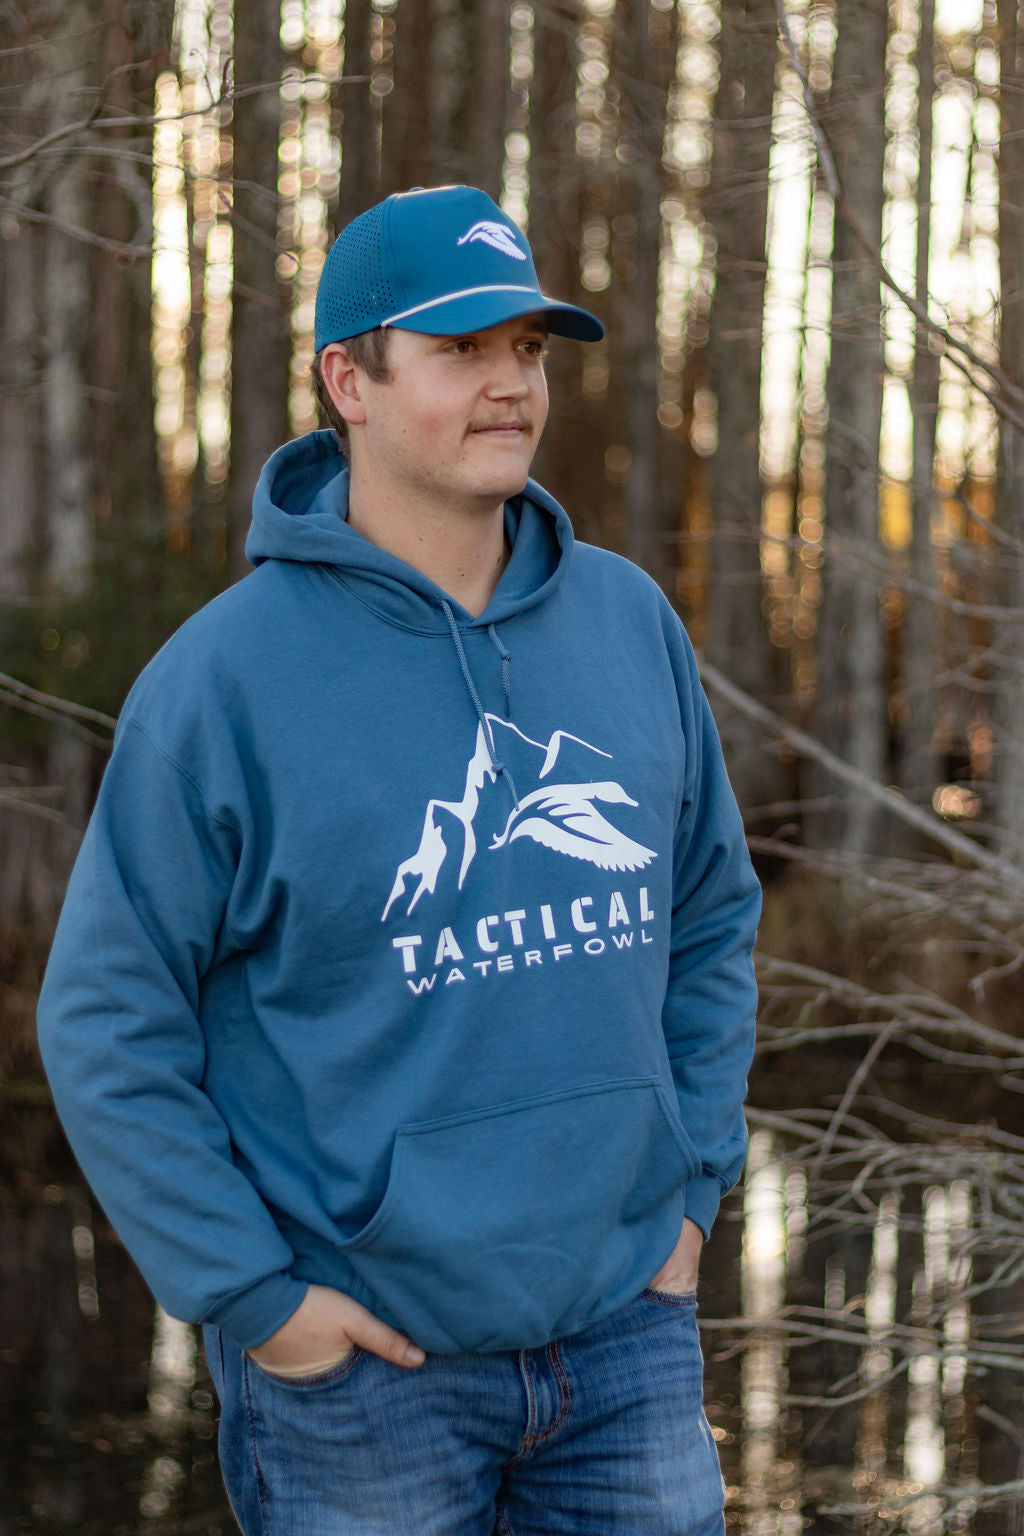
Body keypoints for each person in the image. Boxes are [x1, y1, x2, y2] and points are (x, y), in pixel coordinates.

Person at [37, 184, 761, 1535]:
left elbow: (712, 917)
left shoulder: (628, 623)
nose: (510, 385)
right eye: (461, 349)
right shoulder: (224, 683)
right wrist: (259, 1301)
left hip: (626, 1334)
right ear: (347, 381)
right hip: (365, 1374)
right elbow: (105, 1019)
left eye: (527, 348)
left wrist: (691, 1194)